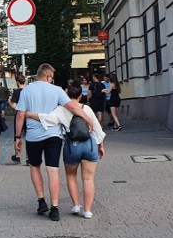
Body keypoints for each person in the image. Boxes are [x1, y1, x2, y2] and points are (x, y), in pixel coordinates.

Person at [14, 64, 94, 221]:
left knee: (35, 167)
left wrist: (17, 137)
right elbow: (73, 107)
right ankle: (55, 208)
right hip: (53, 136)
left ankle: (41, 200)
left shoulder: (26, 91)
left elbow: (20, 116)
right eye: (52, 78)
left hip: (33, 136)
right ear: (48, 77)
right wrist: (88, 119)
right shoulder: (57, 90)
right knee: (53, 170)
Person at [25, 84, 105, 219]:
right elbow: (97, 128)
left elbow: (46, 118)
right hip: (89, 145)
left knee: (71, 176)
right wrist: (101, 146)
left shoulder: (61, 110)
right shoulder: (87, 109)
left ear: (66, 96)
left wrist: (28, 114)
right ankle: (87, 211)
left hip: (72, 146)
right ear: (80, 96)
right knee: (88, 179)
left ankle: (75, 205)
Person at [8, 74, 27, 163]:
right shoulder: (28, 91)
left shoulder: (17, 92)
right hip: (28, 115)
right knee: (28, 136)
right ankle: (28, 158)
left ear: (17, 82)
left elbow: (15, 106)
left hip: (19, 115)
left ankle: (17, 155)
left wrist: (9, 102)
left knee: (17, 135)